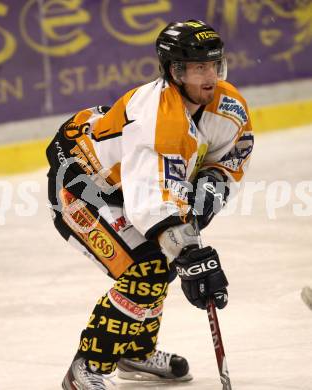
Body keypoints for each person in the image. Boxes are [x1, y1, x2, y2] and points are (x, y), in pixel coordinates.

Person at [46, 19, 254, 389]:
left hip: (128, 187)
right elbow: (150, 200)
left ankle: (134, 350)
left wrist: (205, 197)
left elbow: (231, 157)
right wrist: (188, 250)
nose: (209, 76)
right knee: (147, 267)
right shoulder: (158, 116)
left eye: (214, 65)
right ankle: (86, 367)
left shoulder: (229, 106)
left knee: (163, 262)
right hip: (82, 182)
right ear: (176, 71)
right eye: (197, 67)